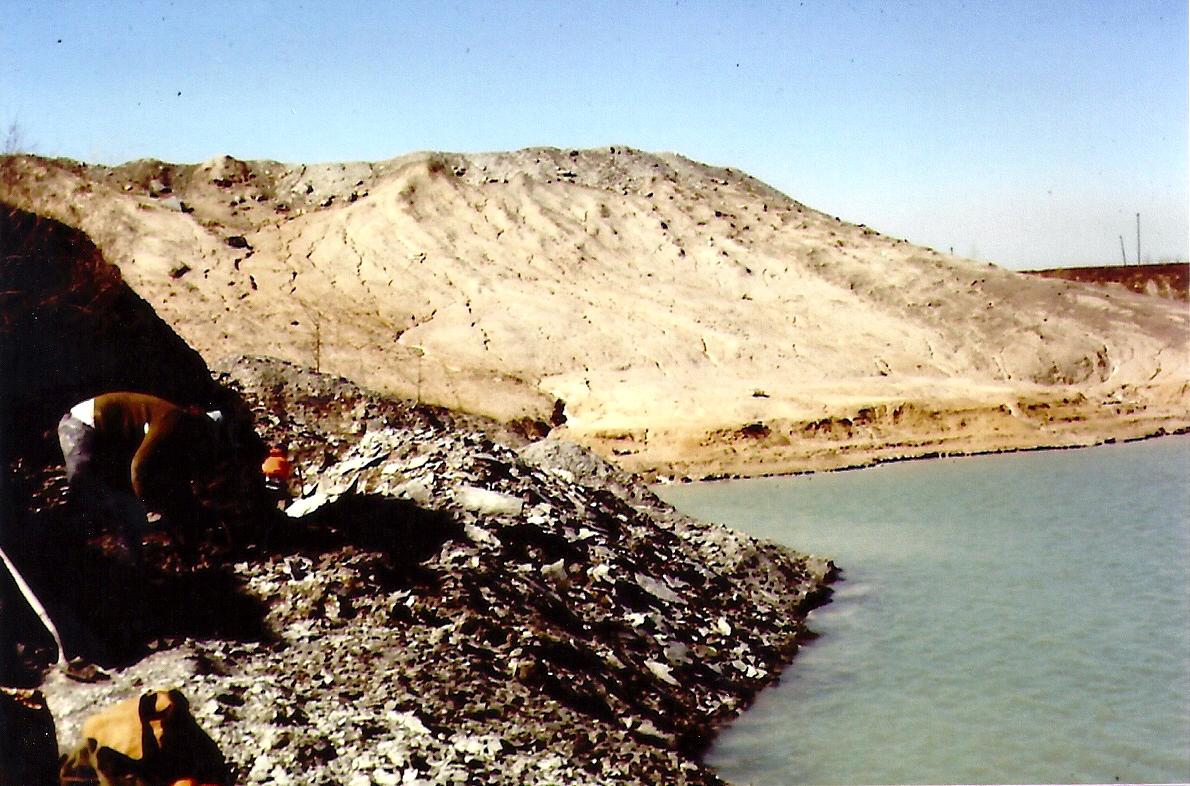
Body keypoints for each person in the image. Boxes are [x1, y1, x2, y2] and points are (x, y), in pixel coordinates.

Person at [56, 392, 229, 554]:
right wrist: (149, 507)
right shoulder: (173, 420)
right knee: (85, 498)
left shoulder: (178, 432)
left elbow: (176, 479)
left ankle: (124, 558)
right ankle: (66, 550)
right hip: (82, 425)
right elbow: (138, 468)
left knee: (120, 508)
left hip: (103, 435)